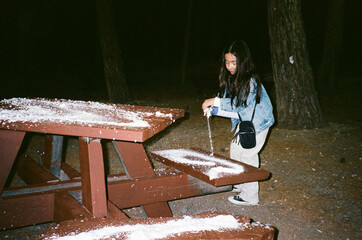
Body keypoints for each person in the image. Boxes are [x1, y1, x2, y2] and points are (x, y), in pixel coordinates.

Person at [202, 40, 274, 205]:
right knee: (236, 151)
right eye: (227, 62)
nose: (230, 66)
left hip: (258, 123)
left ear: (243, 61)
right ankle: (240, 182)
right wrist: (216, 110)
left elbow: (241, 105)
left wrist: (216, 101)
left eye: (234, 62)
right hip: (245, 121)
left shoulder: (250, 81)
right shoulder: (232, 79)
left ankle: (250, 197)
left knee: (247, 155)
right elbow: (234, 108)